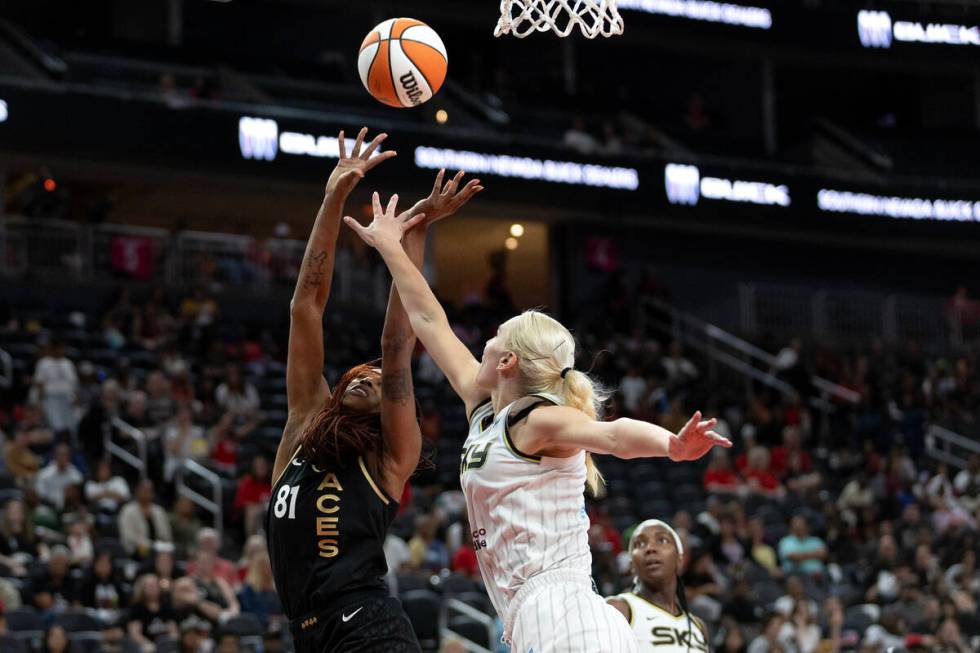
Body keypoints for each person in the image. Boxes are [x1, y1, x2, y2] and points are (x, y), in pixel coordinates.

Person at [345, 187, 730, 653]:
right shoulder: (485, 409)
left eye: (494, 336)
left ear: (507, 360)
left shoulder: (537, 421)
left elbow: (611, 434)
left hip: (565, 613)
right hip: (534, 615)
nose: (483, 342)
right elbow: (427, 317)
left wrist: (672, 444)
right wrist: (404, 239)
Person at [267, 128, 480, 653]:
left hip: (367, 626)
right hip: (307, 635)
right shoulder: (303, 428)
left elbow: (396, 343)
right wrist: (333, 196)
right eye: (360, 374)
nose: (369, 375)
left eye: (380, 380)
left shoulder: (390, 454)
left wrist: (417, 228)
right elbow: (305, 309)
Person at [607, 520, 710, 652]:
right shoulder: (618, 609)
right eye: (640, 544)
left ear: (680, 560)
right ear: (631, 564)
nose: (650, 548)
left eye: (662, 540)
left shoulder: (699, 627)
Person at [118, 479, 174, 558]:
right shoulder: (128, 511)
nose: (146, 493)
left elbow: (167, 535)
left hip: (160, 550)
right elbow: (127, 536)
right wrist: (150, 545)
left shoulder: (159, 511)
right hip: (136, 550)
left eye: (149, 491)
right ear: (137, 491)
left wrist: (163, 545)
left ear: (153, 493)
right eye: (143, 490)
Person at [35, 443, 83, 509]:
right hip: (48, 506)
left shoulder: (75, 474)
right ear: (55, 456)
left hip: (69, 507)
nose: (62, 458)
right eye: (60, 455)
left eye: (65, 455)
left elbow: (79, 493)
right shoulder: (44, 474)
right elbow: (40, 494)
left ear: (69, 457)